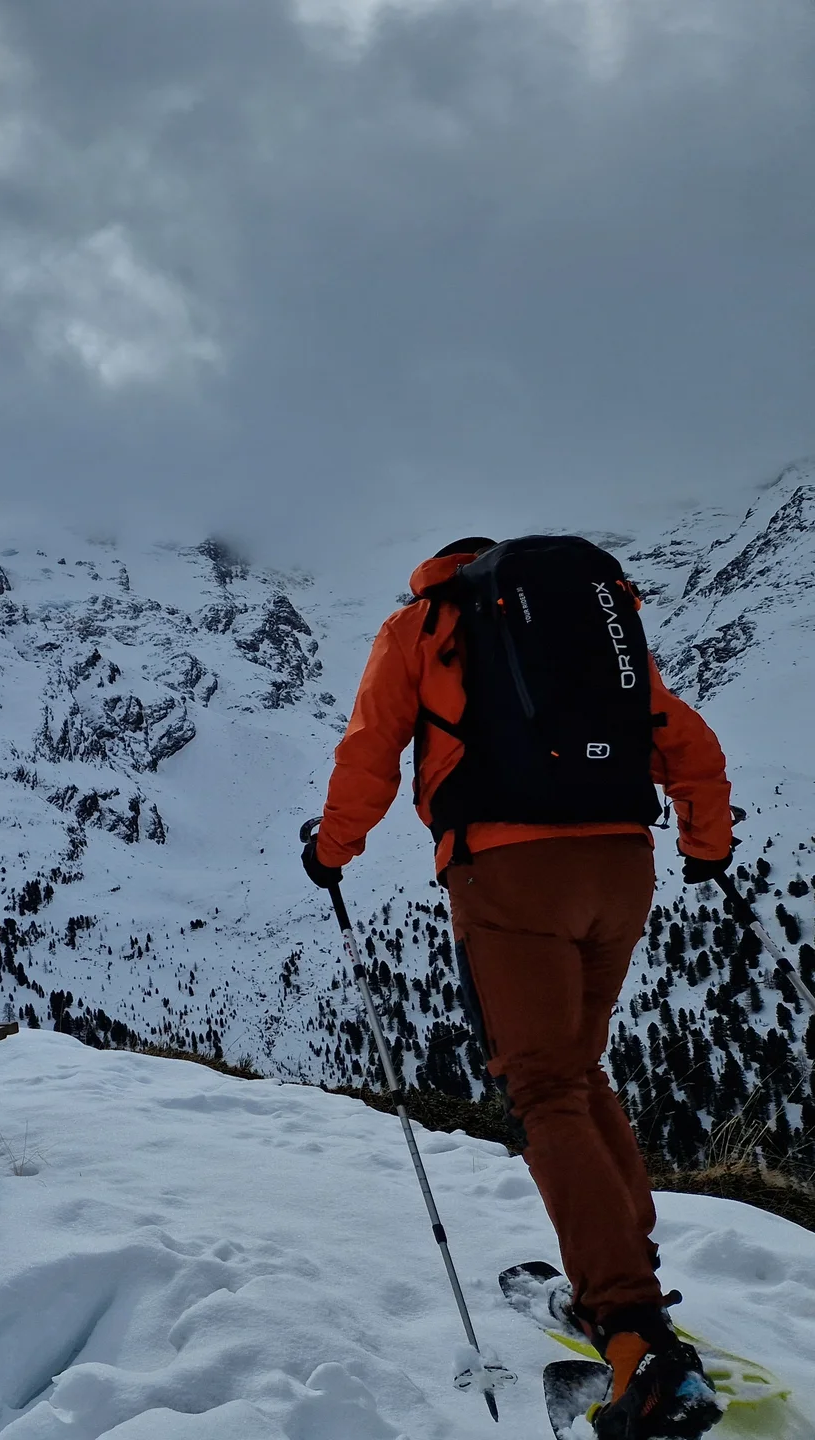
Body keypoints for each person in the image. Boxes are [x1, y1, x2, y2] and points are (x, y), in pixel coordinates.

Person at [303, 537, 732, 1440]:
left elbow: (371, 750)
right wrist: (706, 842)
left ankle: (631, 1331)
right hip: (622, 863)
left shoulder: (424, 624)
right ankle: (623, 1272)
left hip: (509, 873)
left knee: (543, 1086)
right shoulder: (593, 625)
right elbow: (681, 736)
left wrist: (330, 849)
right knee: (577, 1069)